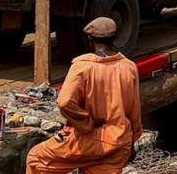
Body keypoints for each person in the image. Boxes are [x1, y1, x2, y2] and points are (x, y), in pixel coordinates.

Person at [26, 17, 142, 174]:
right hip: (119, 140)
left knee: (36, 159)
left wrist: (85, 124)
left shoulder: (82, 66)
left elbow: (65, 101)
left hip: (89, 140)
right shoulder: (129, 67)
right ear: (115, 38)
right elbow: (134, 110)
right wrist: (132, 142)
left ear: (89, 39)